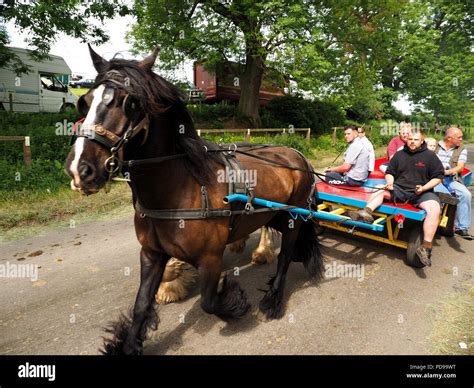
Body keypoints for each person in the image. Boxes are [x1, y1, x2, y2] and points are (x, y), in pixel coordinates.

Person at [349, 130, 445, 267]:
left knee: (434, 208)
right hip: (399, 189)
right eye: (410, 139)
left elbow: (438, 177)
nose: (412, 141)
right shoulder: (400, 155)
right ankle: (366, 212)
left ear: (422, 141)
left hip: (422, 192)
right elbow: (390, 172)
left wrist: (424, 188)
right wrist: (389, 183)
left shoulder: (430, 156)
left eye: (416, 139)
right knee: (380, 189)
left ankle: (426, 246)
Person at [433, 127, 473, 240]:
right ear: (449, 138)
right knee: (441, 191)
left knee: (466, 194)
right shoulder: (434, 145)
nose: (461, 139)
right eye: (459, 137)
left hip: (451, 179)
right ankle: (435, 217)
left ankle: (461, 227)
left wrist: (446, 172)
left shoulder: (461, 148)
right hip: (434, 177)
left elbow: (460, 167)